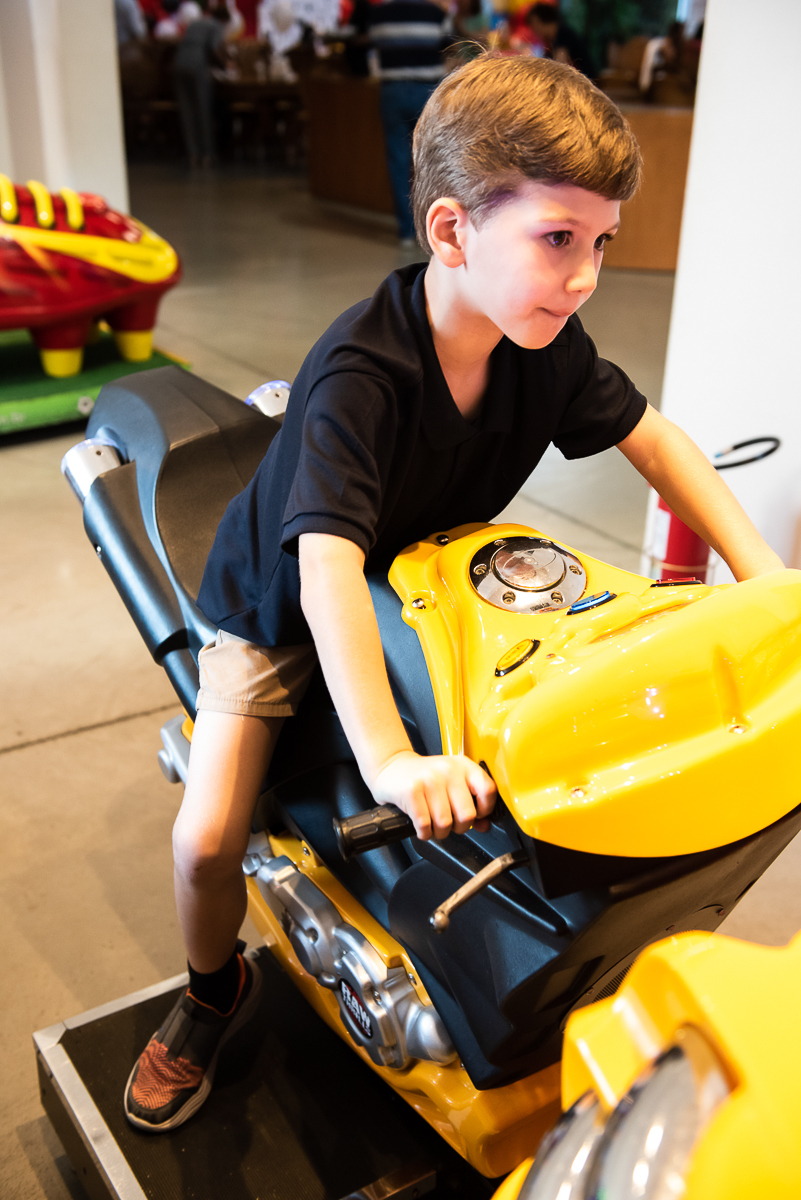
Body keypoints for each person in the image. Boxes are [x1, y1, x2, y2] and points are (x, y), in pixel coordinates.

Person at [123, 53, 784, 1133]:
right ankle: (210, 990)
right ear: (450, 232)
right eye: (558, 241)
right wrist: (390, 759)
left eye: (601, 244)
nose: (583, 279)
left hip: (432, 576)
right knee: (205, 839)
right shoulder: (361, 375)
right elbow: (328, 564)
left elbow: (659, 445)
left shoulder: (547, 347)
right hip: (283, 600)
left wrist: (768, 590)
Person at [361, 0, 454, 245]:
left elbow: (371, 45)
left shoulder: (379, 15)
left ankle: (406, 232)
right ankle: (434, 228)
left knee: (399, 160)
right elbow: (449, 46)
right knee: (433, 160)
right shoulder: (434, 13)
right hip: (427, 91)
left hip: (392, 92)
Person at [173, 2, 230, 168]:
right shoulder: (216, 25)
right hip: (197, 65)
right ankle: (207, 154)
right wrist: (226, 64)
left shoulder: (196, 22)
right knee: (203, 110)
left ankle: (193, 154)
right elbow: (214, 47)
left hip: (179, 64)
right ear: (224, 19)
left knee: (187, 112)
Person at [526, 2, 597, 80]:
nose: (534, 30)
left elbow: (559, 67)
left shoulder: (563, 35)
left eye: (534, 24)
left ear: (541, 21)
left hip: (584, 82)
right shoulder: (552, 38)